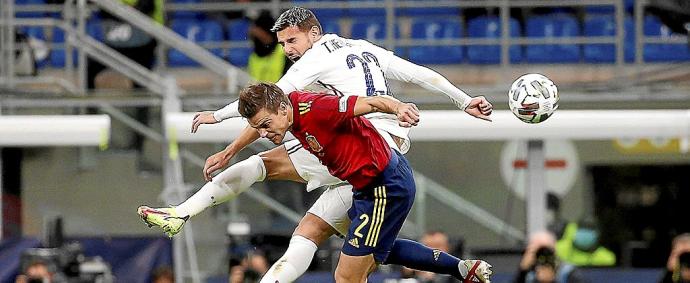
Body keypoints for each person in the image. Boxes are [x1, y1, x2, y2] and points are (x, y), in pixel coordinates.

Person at [138, 6, 493, 283]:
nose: (289, 50)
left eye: (292, 41)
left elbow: (271, 100)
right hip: (384, 147)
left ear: (314, 33)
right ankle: (461, 269)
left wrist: (219, 118)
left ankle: (180, 212)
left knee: (261, 166)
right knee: (321, 232)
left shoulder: (316, 62)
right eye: (282, 45)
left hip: (366, 146)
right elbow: (418, 74)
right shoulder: (363, 48)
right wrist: (463, 100)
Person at [237, 82, 488, 282]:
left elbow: (369, 102)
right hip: (368, 187)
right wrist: (230, 150)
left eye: (265, 125)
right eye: (257, 128)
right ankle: (462, 269)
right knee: (379, 252)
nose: (263, 133)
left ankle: (460, 269)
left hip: (383, 186)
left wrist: (398, 107)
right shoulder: (290, 116)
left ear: (282, 109)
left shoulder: (316, 108)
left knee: (347, 276)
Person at [514, 231, 587, 283]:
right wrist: (522, 271)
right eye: (538, 252)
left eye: (546, 252)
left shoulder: (568, 272)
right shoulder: (528, 274)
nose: (542, 257)